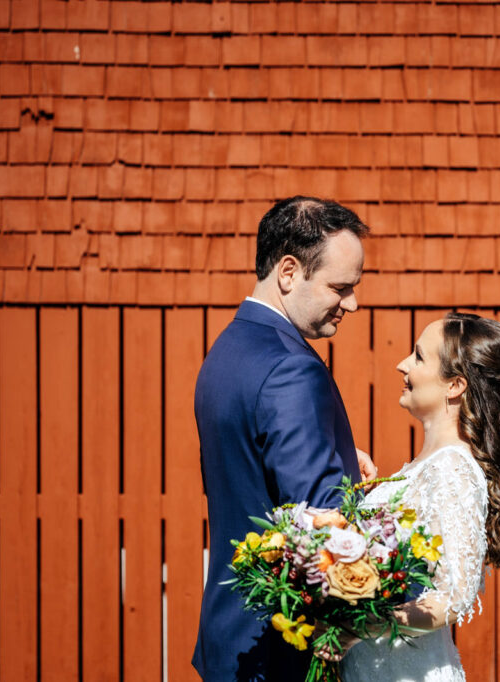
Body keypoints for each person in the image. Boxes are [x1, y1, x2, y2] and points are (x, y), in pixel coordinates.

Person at [192, 196, 377, 681]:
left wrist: (339, 456)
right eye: (341, 287)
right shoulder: (290, 368)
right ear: (289, 271)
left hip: (229, 637)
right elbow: (319, 526)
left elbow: (249, 465)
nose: (353, 303)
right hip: (281, 648)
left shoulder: (229, 349)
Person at [333, 312, 500, 682]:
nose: (402, 364)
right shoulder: (428, 467)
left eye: (418, 356)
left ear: (455, 386)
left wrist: (357, 629)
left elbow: (452, 598)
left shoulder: (453, 470)